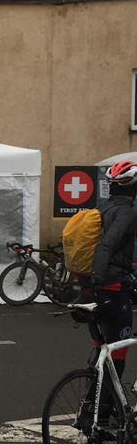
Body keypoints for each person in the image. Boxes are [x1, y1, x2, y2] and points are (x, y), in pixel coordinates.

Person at [87, 160, 137, 383]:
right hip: (112, 287)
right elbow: (107, 245)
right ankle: (105, 413)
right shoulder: (126, 213)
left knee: (102, 348)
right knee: (118, 351)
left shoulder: (102, 209)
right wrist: (99, 282)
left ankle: (89, 407)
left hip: (95, 286)